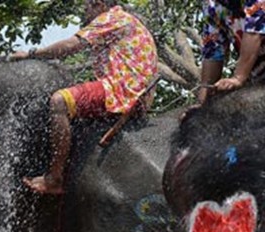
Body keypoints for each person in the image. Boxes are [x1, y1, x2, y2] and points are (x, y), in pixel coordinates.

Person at [11, 0, 158, 194]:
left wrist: (31, 53)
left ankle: (54, 178)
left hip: (120, 90)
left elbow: (71, 46)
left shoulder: (110, 18)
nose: (84, 10)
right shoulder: (128, 20)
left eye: (88, 5)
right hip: (137, 95)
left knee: (60, 101)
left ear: (99, 4)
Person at [197, 0, 265, 100]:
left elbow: (254, 32)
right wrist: (202, 101)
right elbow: (213, 50)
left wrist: (238, 78)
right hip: (258, 78)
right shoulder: (211, 5)